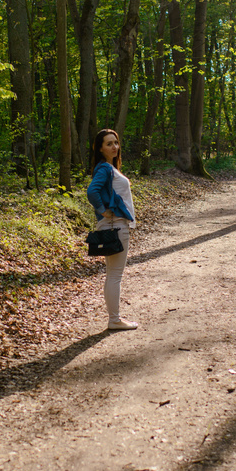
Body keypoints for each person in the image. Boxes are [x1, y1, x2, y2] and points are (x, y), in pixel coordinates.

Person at [87, 128, 138, 331]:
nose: (114, 147)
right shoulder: (105, 169)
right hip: (115, 225)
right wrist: (103, 210)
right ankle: (115, 320)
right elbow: (92, 191)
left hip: (113, 224)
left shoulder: (108, 167)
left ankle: (114, 318)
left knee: (112, 274)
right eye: (109, 144)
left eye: (116, 142)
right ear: (100, 148)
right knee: (115, 275)